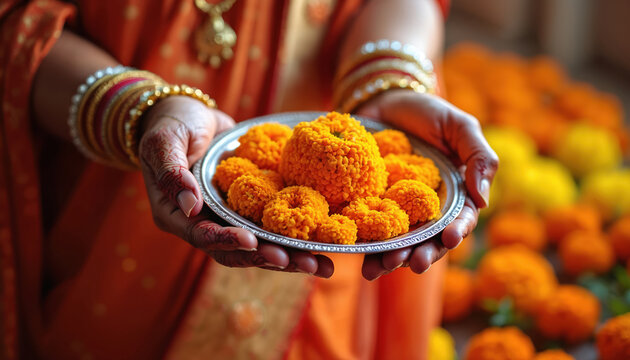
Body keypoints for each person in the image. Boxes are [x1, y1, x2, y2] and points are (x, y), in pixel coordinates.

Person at [0, 0, 498, 359]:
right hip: (118, 229)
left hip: (329, 250)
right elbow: (20, 22)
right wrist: (135, 111)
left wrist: (385, 77)